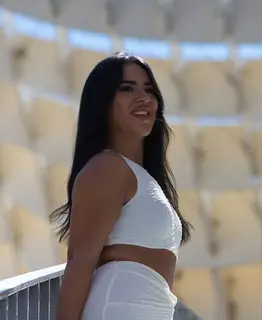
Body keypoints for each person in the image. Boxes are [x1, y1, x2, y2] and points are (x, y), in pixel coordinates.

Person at [51, 51, 193, 320]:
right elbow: (80, 263)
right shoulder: (107, 167)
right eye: (127, 88)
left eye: (149, 89)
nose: (144, 98)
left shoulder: (145, 179)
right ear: (104, 104)